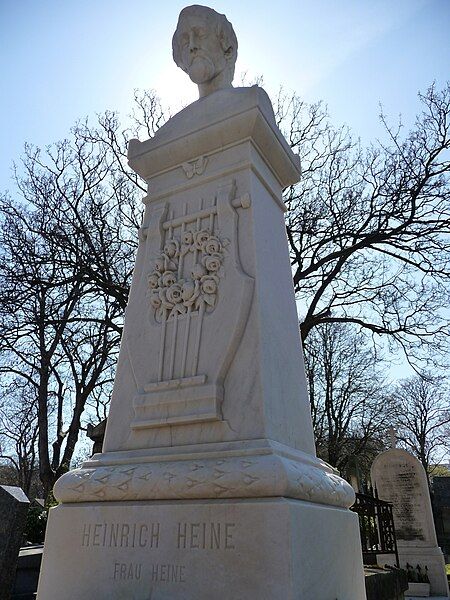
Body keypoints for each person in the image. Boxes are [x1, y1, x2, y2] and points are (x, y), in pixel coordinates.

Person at [172, 5, 238, 98]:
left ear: (227, 48)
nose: (192, 45)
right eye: (185, 41)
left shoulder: (252, 99)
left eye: (201, 34)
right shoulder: (188, 113)